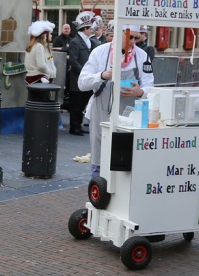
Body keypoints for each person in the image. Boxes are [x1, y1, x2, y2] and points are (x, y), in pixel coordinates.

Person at [78, 25, 155, 178]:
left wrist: (140, 92)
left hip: (130, 116)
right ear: (120, 33)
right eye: (130, 37)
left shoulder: (142, 57)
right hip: (101, 112)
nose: (133, 42)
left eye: (136, 38)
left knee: (125, 158)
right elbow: (82, 83)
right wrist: (101, 75)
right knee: (100, 155)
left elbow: (150, 87)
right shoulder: (100, 52)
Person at [66, 11, 97, 135]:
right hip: (77, 78)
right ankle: (74, 127)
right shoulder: (75, 41)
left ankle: (78, 125)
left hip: (86, 77)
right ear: (85, 29)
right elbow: (73, 60)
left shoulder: (88, 41)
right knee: (76, 105)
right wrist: (84, 72)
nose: (91, 31)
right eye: (90, 29)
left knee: (83, 103)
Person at [25, 20, 56, 84]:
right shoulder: (39, 46)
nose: (51, 35)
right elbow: (41, 65)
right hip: (39, 78)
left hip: (31, 78)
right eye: (50, 34)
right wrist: (50, 72)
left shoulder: (32, 46)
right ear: (44, 35)